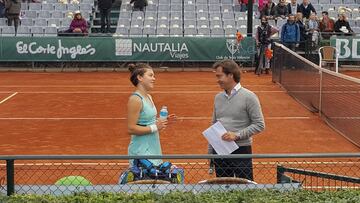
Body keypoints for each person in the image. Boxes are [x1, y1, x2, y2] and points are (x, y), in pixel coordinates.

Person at [209, 59, 265, 180]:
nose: (217, 80)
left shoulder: (249, 97)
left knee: (245, 187)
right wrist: (211, 152)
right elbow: (214, 124)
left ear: (231, 75)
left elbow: (259, 124)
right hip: (220, 149)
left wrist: (237, 135)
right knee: (222, 187)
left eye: (219, 76)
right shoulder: (218, 98)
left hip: (241, 150)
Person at [127, 63, 175, 166]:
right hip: (141, 152)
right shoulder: (135, 99)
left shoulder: (149, 97)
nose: (154, 78)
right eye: (150, 75)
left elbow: (149, 123)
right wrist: (155, 127)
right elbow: (131, 129)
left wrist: (162, 122)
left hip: (154, 148)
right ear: (140, 77)